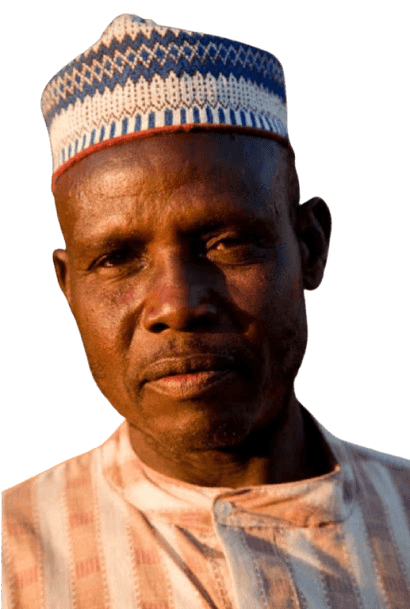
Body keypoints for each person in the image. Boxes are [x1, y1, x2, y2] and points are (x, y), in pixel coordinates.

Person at [2, 13, 409, 609]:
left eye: (226, 243)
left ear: (311, 247)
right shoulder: (12, 559)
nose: (177, 306)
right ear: (69, 288)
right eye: (117, 259)